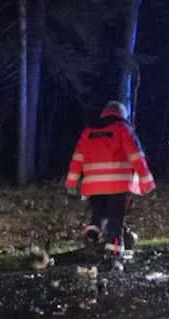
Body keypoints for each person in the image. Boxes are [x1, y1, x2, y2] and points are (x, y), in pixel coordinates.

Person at [66, 100, 156, 253]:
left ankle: (92, 235)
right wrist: (147, 182)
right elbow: (136, 157)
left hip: (93, 186)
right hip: (117, 185)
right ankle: (114, 252)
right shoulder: (123, 129)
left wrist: (71, 183)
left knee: (98, 214)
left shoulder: (89, 131)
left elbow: (77, 158)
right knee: (115, 220)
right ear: (122, 115)